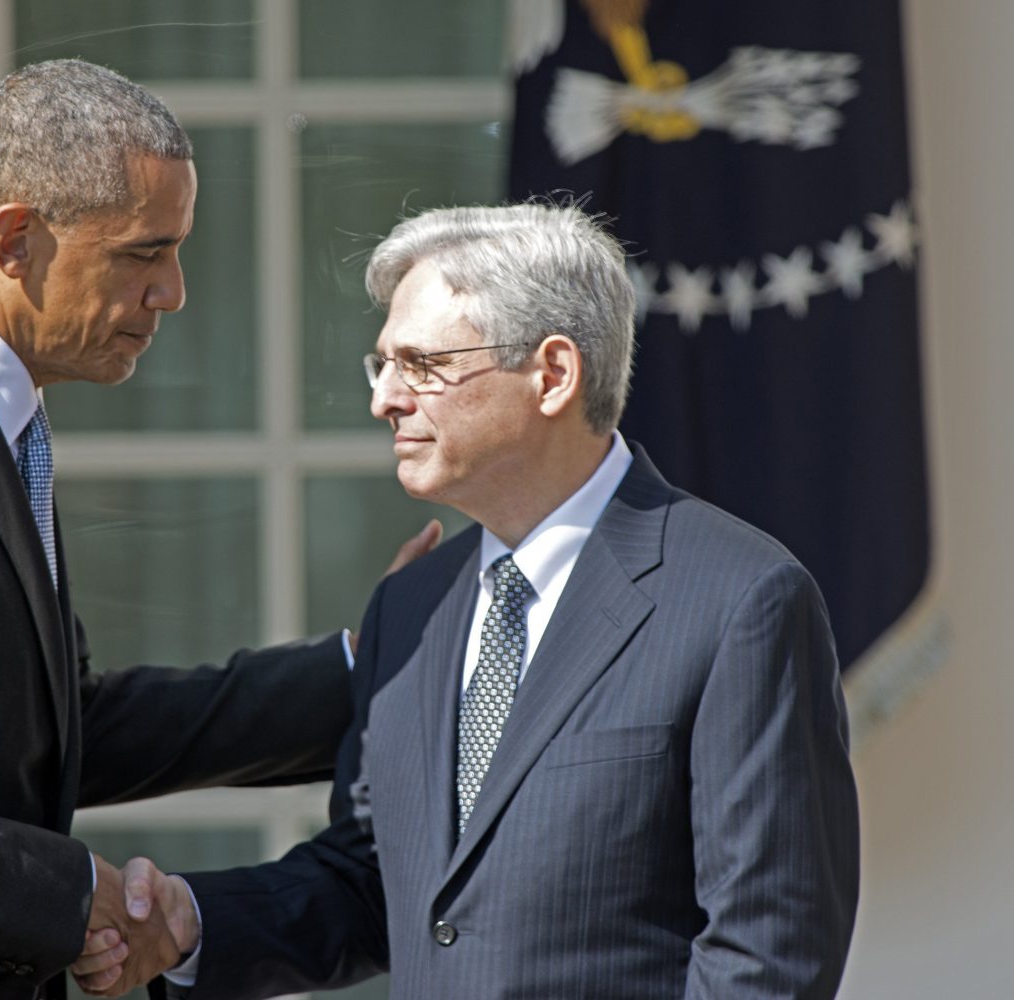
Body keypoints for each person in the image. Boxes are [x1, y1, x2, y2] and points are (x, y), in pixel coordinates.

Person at [0, 59, 436, 1000]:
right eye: (142, 253)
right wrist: (71, 896)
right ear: (16, 239)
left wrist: (366, 665)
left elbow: (60, 732)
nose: (172, 292)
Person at [79, 202, 860, 998]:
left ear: (551, 375)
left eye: (420, 364)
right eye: (380, 364)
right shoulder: (412, 607)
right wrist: (188, 921)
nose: (385, 397)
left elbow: (765, 957)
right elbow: (377, 881)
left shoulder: (739, 601)